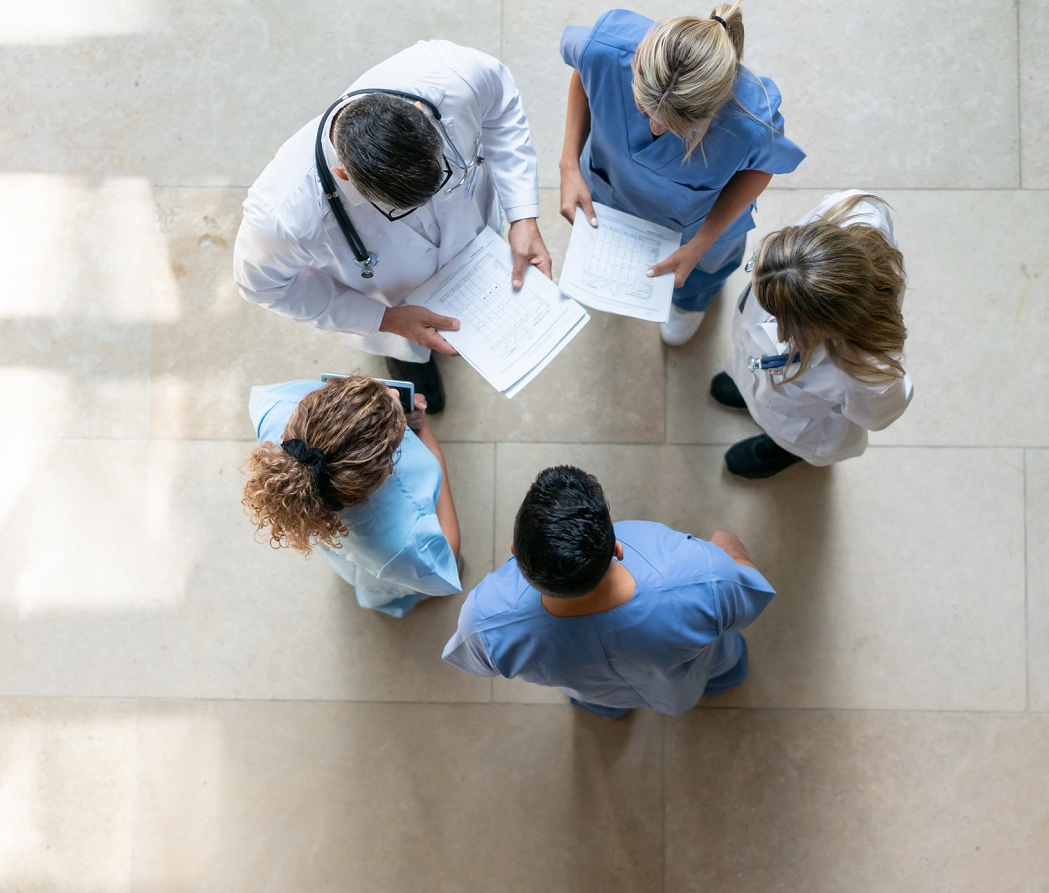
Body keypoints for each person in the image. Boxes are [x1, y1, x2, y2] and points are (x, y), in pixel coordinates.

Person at [234, 41, 552, 413]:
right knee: (411, 357)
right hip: (393, 302)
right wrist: (384, 318)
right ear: (343, 175)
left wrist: (523, 214)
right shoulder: (282, 216)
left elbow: (502, 105)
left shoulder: (450, 74)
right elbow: (261, 286)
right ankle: (411, 363)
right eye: (400, 209)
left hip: (475, 243)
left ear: (421, 114)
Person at [558, 0, 805, 346]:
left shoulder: (750, 121)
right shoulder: (606, 48)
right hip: (610, 185)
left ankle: (690, 304)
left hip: (700, 226)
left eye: (676, 125)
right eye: (644, 108)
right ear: (637, 57)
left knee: (700, 275)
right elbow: (585, 72)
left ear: (718, 107)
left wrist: (701, 244)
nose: (656, 129)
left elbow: (762, 167)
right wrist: (568, 164)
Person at [441, 465, 773, 717]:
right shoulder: (703, 577)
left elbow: (474, 662)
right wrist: (730, 551)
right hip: (678, 689)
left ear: (515, 550)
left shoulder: (484, 621)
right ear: (616, 548)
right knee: (721, 666)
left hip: (595, 692)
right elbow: (750, 598)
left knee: (600, 702)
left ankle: (610, 712)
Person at [710, 190, 913, 479]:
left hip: (798, 423)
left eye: (776, 315)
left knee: (790, 431)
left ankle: (783, 450)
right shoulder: (852, 212)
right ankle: (750, 389)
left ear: (810, 326)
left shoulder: (869, 373)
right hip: (765, 367)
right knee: (754, 367)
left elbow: (878, 415)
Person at [243, 375, 462, 617]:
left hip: (348, 551)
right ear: (383, 474)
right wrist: (431, 446)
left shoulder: (277, 406)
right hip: (382, 564)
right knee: (394, 585)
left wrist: (371, 406)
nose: (395, 393)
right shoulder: (402, 542)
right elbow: (445, 559)